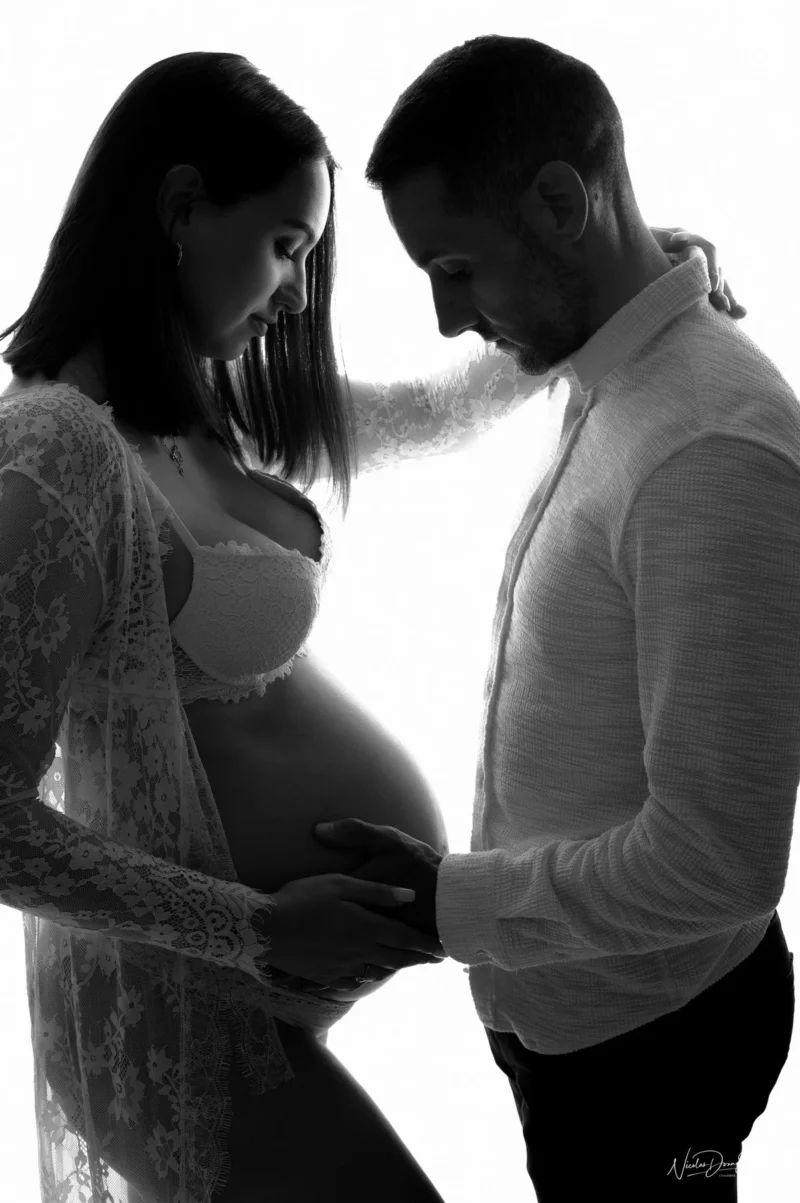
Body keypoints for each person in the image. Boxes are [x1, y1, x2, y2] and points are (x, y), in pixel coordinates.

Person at [0, 36, 769, 1203]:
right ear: (180, 208)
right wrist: (251, 930)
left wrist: (641, 284)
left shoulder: (210, 405)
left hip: (274, 977)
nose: (294, 295)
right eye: (285, 246)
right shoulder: (54, 448)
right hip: (173, 994)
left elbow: (438, 409)